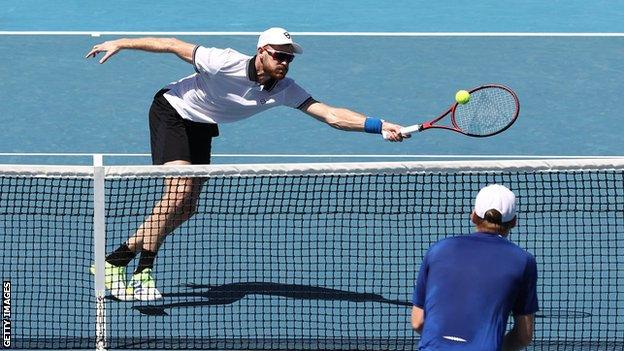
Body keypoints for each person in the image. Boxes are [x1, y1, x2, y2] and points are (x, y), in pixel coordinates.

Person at [86, 27, 409, 301]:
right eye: (279, 55)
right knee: (177, 193)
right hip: (173, 112)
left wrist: (378, 125)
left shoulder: (285, 89)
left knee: (187, 208)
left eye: (289, 57)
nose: (284, 62)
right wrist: (120, 43)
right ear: (261, 52)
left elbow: (332, 115)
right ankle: (142, 272)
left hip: (202, 124)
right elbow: (172, 45)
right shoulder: (223, 61)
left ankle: (114, 261)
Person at [411, 184, 538, 350]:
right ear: (513, 222)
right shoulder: (523, 261)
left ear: (473, 216)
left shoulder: (438, 250)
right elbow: (523, 336)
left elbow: (418, 322)